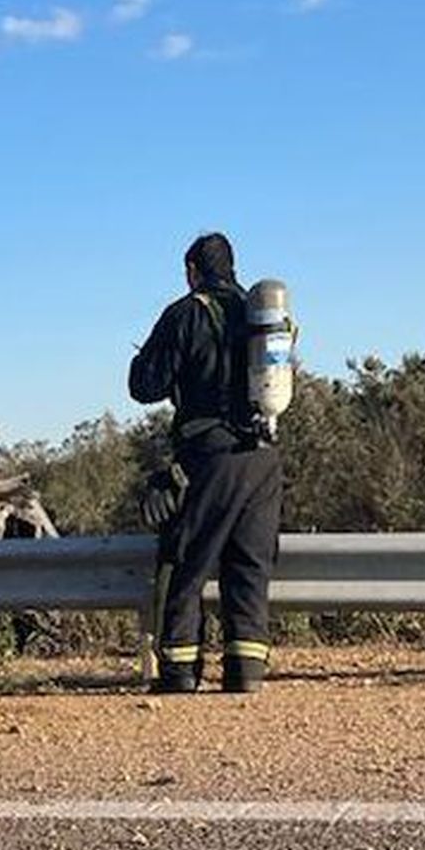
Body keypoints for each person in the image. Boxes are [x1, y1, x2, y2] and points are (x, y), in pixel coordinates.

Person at [128, 232, 284, 693]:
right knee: (249, 565)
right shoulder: (261, 320)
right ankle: (246, 672)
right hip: (263, 458)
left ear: (192, 271)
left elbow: (145, 387)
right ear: (233, 269)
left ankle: (178, 671)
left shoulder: (185, 314)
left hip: (210, 456)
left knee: (185, 560)